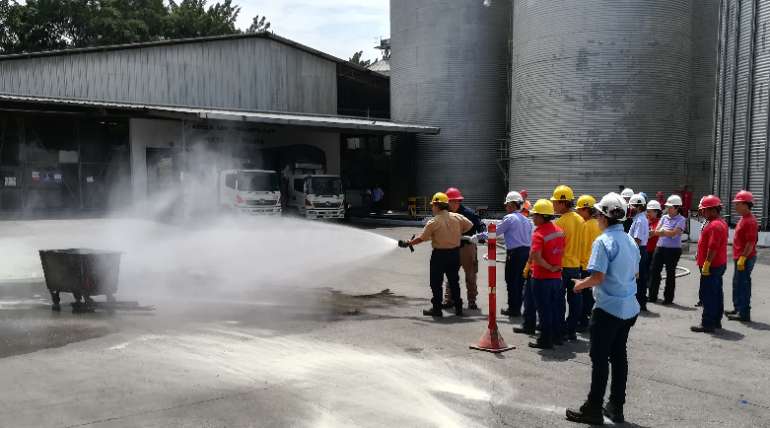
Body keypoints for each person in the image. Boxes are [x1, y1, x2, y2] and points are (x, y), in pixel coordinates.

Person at [566, 193, 640, 425]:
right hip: (628, 308)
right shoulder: (629, 240)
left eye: (599, 213)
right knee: (619, 357)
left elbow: (597, 277)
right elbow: (635, 273)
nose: (597, 217)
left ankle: (593, 408)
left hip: (608, 309)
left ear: (605, 217)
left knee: (599, 360)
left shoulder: (603, 241)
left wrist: (580, 285)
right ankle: (616, 406)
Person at [398, 192, 472, 317]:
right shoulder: (457, 217)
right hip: (454, 254)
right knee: (454, 281)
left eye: (433, 205)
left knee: (436, 283)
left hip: (439, 255)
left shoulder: (433, 222)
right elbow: (470, 225)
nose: (432, 208)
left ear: (437, 205)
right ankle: (459, 309)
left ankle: (437, 309)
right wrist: (458, 232)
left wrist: (408, 243)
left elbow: (422, 238)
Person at [524, 199, 565, 349]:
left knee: (543, 310)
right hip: (556, 278)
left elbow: (536, 256)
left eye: (535, 215)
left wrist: (548, 267)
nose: (533, 218)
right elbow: (562, 251)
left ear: (542, 216)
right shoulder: (560, 231)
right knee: (554, 308)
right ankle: (557, 337)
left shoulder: (539, 233)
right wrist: (555, 267)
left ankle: (545, 340)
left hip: (541, 277)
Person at [443, 187, 486, 310]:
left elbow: (480, 224)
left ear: (459, 201)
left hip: (467, 247)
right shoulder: (445, 214)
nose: (453, 204)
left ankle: (472, 300)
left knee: (471, 275)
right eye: (451, 202)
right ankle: (448, 299)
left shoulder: (469, 213)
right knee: (451, 274)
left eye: (456, 201)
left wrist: (482, 234)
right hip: (452, 247)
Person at [552, 185, 585, 342]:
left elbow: (556, 247)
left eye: (555, 202)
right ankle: (571, 330)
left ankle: (559, 331)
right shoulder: (581, 219)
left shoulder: (560, 222)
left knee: (558, 300)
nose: (553, 205)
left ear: (563, 203)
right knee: (575, 301)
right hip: (576, 266)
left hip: (562, 266)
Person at [691, 195, 728, 333]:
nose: (702, 213)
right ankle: (716, 321)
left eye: (704, 210)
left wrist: (707, 263)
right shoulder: (716, 222)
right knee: (716, 293)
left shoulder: (715, 225)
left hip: (712, 266)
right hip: (716, 264)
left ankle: (707, 323)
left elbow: (713, 247)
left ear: (713, 210)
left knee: (709, 294)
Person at [497, 191, 533, 317]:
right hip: (526, 253)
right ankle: (517, 307)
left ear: (512, 205)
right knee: (520, 281)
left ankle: (513, 308)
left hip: (514, 253)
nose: (506, 207)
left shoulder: (509, 218)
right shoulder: (526, 220)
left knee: (511, 280)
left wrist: (477, 236)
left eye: (507, 205)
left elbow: (494, 232)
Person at [726, 190, 758, 322]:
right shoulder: (743, 218)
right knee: (737, 283)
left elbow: (751, 242)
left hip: (745, 258)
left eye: (738, 203)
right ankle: (738, 308)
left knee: (743, 285)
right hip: (740, 257)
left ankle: (744, 313)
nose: (735, 206)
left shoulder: (750, 221)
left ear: (746, 204)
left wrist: (743, 258)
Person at [648, 195, 686, 305]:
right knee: (654, 271)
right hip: (660, 248)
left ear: (677, 208)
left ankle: (668, 299)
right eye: (667, 207)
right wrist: (663, 232)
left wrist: (662, 232)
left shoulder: (681, 219)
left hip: (673, 250)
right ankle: (652, 296)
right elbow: (657, 230)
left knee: (670, 274)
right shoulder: (664, 218)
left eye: (670, 207)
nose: (668, 209)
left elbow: (674, 233)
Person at [576, 194, 601, 332]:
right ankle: (593, 320)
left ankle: (583, 322)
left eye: (580, 210)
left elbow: (583, 246)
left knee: (584, 297)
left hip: (586, 265)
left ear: (586, 210)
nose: (578, 212)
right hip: (597, 265)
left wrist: (579, 264)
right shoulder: (599, 224)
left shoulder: (586, 225)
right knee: (593, 297)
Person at [627, 194, 650, 311]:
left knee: (638, 278)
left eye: (632, 206)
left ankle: (640, 303)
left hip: (638, 250)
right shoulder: (639, 219)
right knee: (638, 277)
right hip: (639, 250)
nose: (630, 208)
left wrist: (630, 253)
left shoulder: (640, 220)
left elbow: (637, 240)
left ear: (639, 207)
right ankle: (640, 302)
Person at [643, 200, 663, 309]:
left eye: (650, 211)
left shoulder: (659, 222)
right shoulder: (647, 221)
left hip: (655, 252)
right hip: (646, 251)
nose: (648, 213)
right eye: (647, 211)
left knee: (654, 274)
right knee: (645, 273)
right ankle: (647, 293)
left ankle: (652, 295)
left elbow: (650, 234)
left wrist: (647, 233)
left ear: (656, 212)